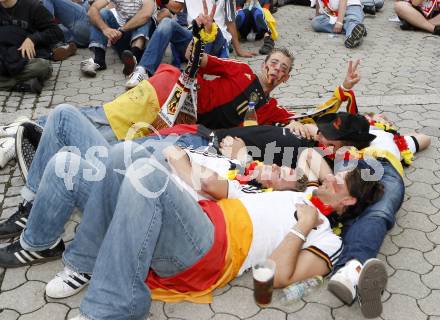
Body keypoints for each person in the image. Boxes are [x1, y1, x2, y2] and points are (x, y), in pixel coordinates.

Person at [0, 123, 383, 320]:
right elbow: (221, 189)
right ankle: (84, 264)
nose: (330, 175)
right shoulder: (288, 191)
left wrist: (302, 226)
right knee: (125, 154)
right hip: (197, 221)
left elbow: (278, 279)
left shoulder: (325, 236)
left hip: (212, 253)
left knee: (144, 173)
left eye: (339, 178)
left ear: (348, 199)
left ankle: (113, 306)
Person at [124, 0, 256, 89]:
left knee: (207, 28)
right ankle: (143, 70)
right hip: (193, 34)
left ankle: (192, 77)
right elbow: (175, 6)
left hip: (216, 37)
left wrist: (238, 49)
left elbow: (230, 21)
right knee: (166, 23)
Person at [0, 0, 64, 93]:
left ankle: (6, 82)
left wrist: (33, 39)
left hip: (26, 59)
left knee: (43, 67)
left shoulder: (33, 7)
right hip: (3, 58)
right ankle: (21, 85)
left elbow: (56, 32)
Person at [80, 0, 156, 77]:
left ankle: (134, 57)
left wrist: (122, 30)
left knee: (145, 19)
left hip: (143, 45)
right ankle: (99, 60)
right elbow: (92, 10)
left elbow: (146, 14)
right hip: (123, 39)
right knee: (102, 13)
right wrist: (105, 29)